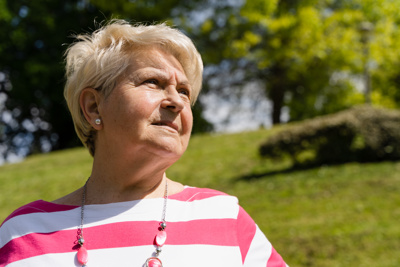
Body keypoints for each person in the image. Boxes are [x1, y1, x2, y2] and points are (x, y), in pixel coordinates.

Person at [0, 20, 288, 267]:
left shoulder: (224, 217)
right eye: (153, 82)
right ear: (93, 107)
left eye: (185, 91)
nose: (176, 101)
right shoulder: (22, 233)